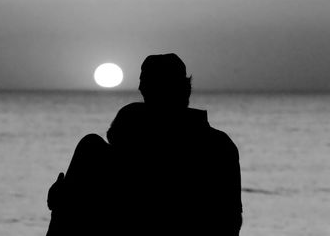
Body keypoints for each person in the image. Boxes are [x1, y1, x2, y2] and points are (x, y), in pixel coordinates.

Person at [46, 53, 243, 235]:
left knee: (89, 147)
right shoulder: (221, 144)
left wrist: (66, 200)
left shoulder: (215, 147)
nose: (141, 89)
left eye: (148, 84)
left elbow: (230, 220)